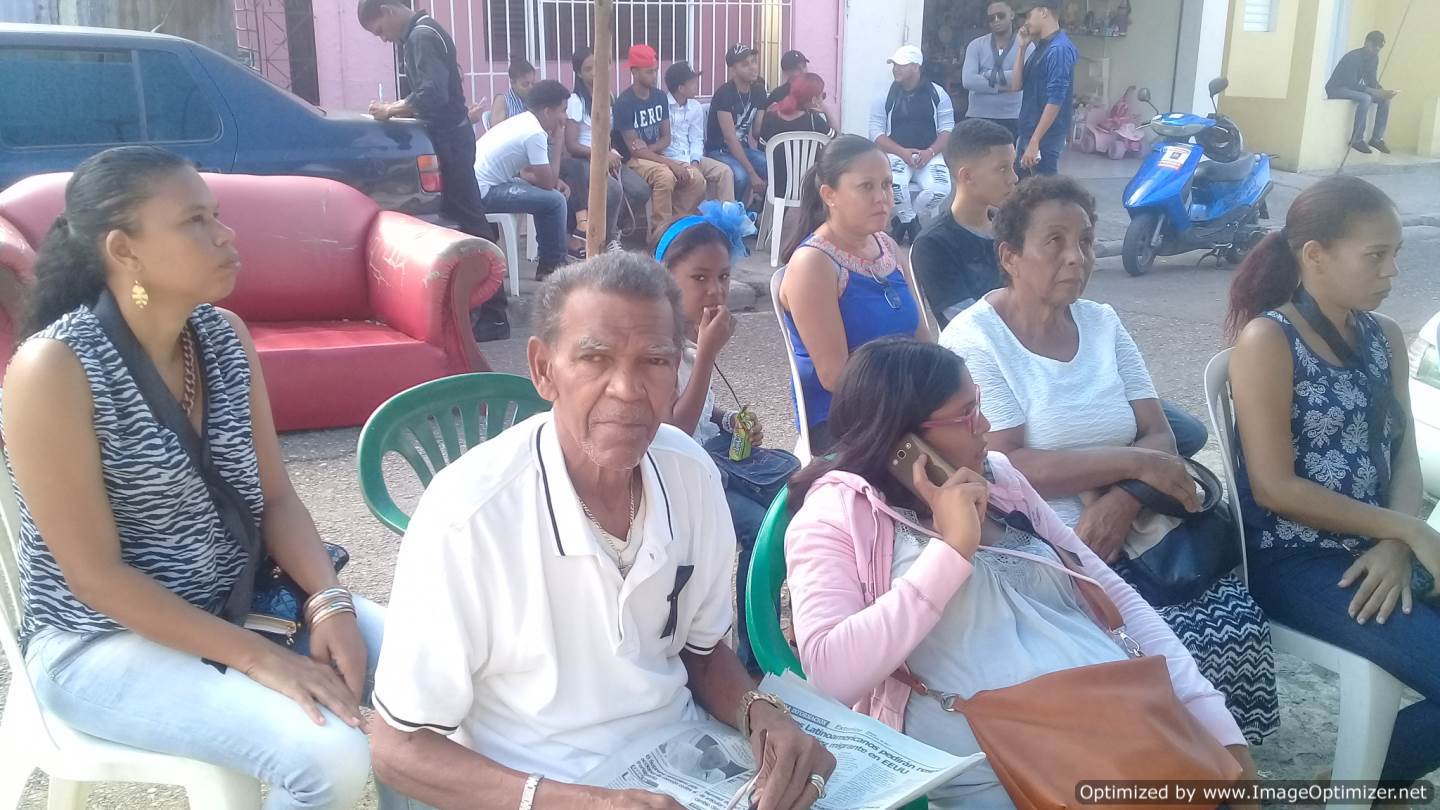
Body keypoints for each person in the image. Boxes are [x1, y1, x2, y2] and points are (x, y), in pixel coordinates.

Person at [368, 253, 836, 810]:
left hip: (684, 763)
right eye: (594, 358)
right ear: (543, 370)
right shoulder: (467, 516)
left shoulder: (691, 475)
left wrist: (760, 713)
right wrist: (588, 803)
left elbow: (702, 653)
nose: (627, 389)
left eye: (654, 361)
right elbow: (398, 747)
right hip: (536, 788)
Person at [1, 146, 392, 810]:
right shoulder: (55, 369)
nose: (226, 235)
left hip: (237, 603)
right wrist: (262, 658)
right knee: (329, 756)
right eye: (194, 221)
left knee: (431, 679)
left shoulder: (222, 337)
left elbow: (276, 498)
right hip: (100, 640)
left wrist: (329, 601)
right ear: (124, 250)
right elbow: (96, 579)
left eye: (216, 215)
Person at [782, 338, 1257, 808]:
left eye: (979, 404)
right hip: (1002, 764)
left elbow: (1112, 594)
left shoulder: (999, 478)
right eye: (967, 414)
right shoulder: (836, 514)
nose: (985, 426)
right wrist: (952, 550)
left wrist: (1212, 722)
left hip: (1117, 724)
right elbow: (831, 673)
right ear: (902, 441)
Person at [938, 176, 1278, 744]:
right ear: (1009, 256)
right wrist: (1136, 465)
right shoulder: (976, 339)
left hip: (1141, 532)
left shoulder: (1102, 322)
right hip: (1046, 547)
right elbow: (1008, 462)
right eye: (1054, 241)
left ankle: (1214, 765)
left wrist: (1124, 497)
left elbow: (1160, 434)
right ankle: (1149, 769)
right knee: (1145, 655)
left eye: (1086, 241)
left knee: (1234, 623)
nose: (1076, 257)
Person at [1226, 176, 1440, 784]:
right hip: (1297, 560)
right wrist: (1408, 531)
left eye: (1395, 253)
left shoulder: (1384, 337)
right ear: (1315, 255)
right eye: (1376, 255)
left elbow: (1403, 454)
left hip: (1378, 546)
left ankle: (1357, 781)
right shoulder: (1269, 339)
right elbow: (1275, 488)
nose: (1392, 271)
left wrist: (1396, 540)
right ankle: (1358, 785)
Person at [655, 204, 797, 673]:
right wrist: (706, 355)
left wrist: (729, 419)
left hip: (707, 457)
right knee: (761, 529)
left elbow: (699, 409)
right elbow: (673, 432)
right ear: (665, 278)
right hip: (673, 473)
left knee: (791, 503)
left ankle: (780, 633)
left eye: (722, 277)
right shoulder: (657, 345)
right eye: (699, 278)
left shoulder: (689, 334)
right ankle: (751, 659)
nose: (715, 290)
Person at [360, 0, 509, 341]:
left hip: (450, 141)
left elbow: (432, 94)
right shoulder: (421, 34)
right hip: (451, 138)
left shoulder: (421, 36)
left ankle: (495, 312)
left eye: (379, 30)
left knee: (470, 223)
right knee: (461, 221)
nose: (383, 39)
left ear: (388, 10)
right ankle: (474, 306)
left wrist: (391, 109)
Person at [778, 135, 932, 453]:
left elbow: (924, 341)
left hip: (903, 403)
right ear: (829, 195)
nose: (882, 198)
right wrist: (914, 403)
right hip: (845, 419)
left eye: (887, 185)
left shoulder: (887, 247)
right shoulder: (814, 263)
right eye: (866, 187)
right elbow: (835, 376)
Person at [910, 118, 1016, 329]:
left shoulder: (1014, 229)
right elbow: (969, 325)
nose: (1014, 178)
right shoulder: (933, 245)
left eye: (1012, 167)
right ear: (967, 176)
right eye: (1002, 169)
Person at [472, 79, 572, 280]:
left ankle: (549, 262)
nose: (565, 117)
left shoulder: (525, 121)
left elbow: (530, 174)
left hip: (481, 185)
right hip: (484, 192)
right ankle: (553, 266)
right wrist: (559, 140)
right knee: (555, 201)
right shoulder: (534, 133)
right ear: (547, 112)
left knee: (548, 198)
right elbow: (547, 184)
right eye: (563, 110)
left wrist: (550, 181)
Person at [561, 47, 650, 254]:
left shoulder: (608, 96)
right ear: (578, 73)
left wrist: (613, 152)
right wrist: (601, 155)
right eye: (588, 69)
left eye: (598, 66)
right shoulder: (576, 101)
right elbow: (571, 145)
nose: (595, 72)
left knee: (640, 191)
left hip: (608, 156)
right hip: (584, 160)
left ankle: (608, 230)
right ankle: (607, 239)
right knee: (613, 190)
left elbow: (610, 134)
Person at [615, 44, 706, 245]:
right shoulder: (624, 103)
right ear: (634, 72)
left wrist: (648, 149)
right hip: (633, 161)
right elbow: (633, 152)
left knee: (697, 179)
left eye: (655, 70)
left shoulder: (659, 97)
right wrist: (667, 161)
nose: (654, 75)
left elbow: (666, 138)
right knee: (665, 176)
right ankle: (660, 236)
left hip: (654, 155)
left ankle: (676, 227)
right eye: (649, 71)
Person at [869, 45, 955, 245]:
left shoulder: (938, 94)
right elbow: (876, 132)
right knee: (894, 185)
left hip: (930, 154)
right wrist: (902, 152)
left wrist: (930, 152)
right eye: (894, 65)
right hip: (896, 154)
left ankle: (902, 222)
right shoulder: (884, 96)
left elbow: (947, 129)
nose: (895, 69)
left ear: (916, 67)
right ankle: (912, 225)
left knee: (941, 188)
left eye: (901, 65)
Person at [1008, 0, 1077, 177]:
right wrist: (1021, 48)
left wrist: (1035, 140)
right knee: (1021, 188)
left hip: (1045, 137)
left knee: (1044, 189)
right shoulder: (1043, 46)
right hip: (1029, 132)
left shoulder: (1059, 49)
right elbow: (1016, 85)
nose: (1025, 22)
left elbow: (1056, 99)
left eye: (1028, 16)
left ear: (1044, 12)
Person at [706, 44, 771, 207]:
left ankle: (759, 212)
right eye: (745, 64)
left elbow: (757, 131)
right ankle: (734, 215)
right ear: (733, 71)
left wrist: (774, 114)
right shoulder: (724, 94)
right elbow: (730, 139)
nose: (753, 67)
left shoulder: (759, 91)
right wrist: (752, 173)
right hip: (719, 150)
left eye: (753, 61)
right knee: (741, 176)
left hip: (742, 148)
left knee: (771, 166)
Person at [663, 61, 737, 203]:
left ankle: (727, 215)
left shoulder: (695, 106)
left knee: (725, 172)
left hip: (692, 157)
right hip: (671, 160)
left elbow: (697, 139)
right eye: (692, 83)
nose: (696, 86)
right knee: (697, 179)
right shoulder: (663, 105)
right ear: (681, 88)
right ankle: (693, 216)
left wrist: (695, 160)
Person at [757, 73, 835, 200]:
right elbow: (836, 140)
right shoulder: (815, 122)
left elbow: (762, 148)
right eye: (823, 96)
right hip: (809, 189)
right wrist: (826, 110)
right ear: (814, 100)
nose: (823, 99)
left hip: (777, 188)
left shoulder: (771, 118)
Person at [961, 2, 1032, 139]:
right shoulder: (975, 45)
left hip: (1012, 116)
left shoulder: (1026, 45)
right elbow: (968, 80)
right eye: (991, 18)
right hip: (978, 115)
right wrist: (1002, 87)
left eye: (1001, 15)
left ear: (1012, 14)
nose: (996, 20)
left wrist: (987, 75)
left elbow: (1025, 77)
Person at [1325, 30, 1396, 155]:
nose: (1377, 50)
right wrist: (1373, 91)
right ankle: (1357, 140)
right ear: (1367, 43)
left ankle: (1376, 139)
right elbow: (1351, 84)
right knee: (1366, 98)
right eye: (1375, 46)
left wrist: (1382, 91)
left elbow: (1372, 81)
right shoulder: (1353, 57)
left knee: (1385, 100)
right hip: (1336, 89)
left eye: (1379, 47)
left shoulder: (1374, 58)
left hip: (1351, 89)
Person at [489, 59, 537, 128]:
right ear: (513, 83)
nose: (531, 87)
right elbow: (496, 131)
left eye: (533, 83)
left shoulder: (535, 101)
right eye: (525, 84)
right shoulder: (503, 101)